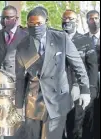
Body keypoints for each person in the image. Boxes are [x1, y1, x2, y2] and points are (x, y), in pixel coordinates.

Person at [15, 8, 90, 139]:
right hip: (33, 102)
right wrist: (18, 105)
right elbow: (20, 78)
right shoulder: (22, 46)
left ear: (46, 22)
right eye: (31, 24)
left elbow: (78, 65)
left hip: (57, 100)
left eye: (39, 23)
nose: (35, 27)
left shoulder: (61, 38)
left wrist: (85, 90)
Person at [61, 9, 98, 139]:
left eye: (70, 19)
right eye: (64, 18)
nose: (66, 21)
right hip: (58, 91)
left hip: (78, 89)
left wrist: (91, 89)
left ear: (76, 21)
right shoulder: (56, 39)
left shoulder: (85, 41)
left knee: (76, 125)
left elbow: (92, 67)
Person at [0, 5, 28, 78]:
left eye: (8, 18)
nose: (5, 20)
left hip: (18, 80)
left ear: (16, 19)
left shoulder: (25, 36)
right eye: (2, 18)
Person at [84, 10, 100, 139]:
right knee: (89, 113)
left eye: (96, 18)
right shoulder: (82, 39)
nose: (94, 21)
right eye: (91, 18)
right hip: (88, 82)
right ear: (87, 21)